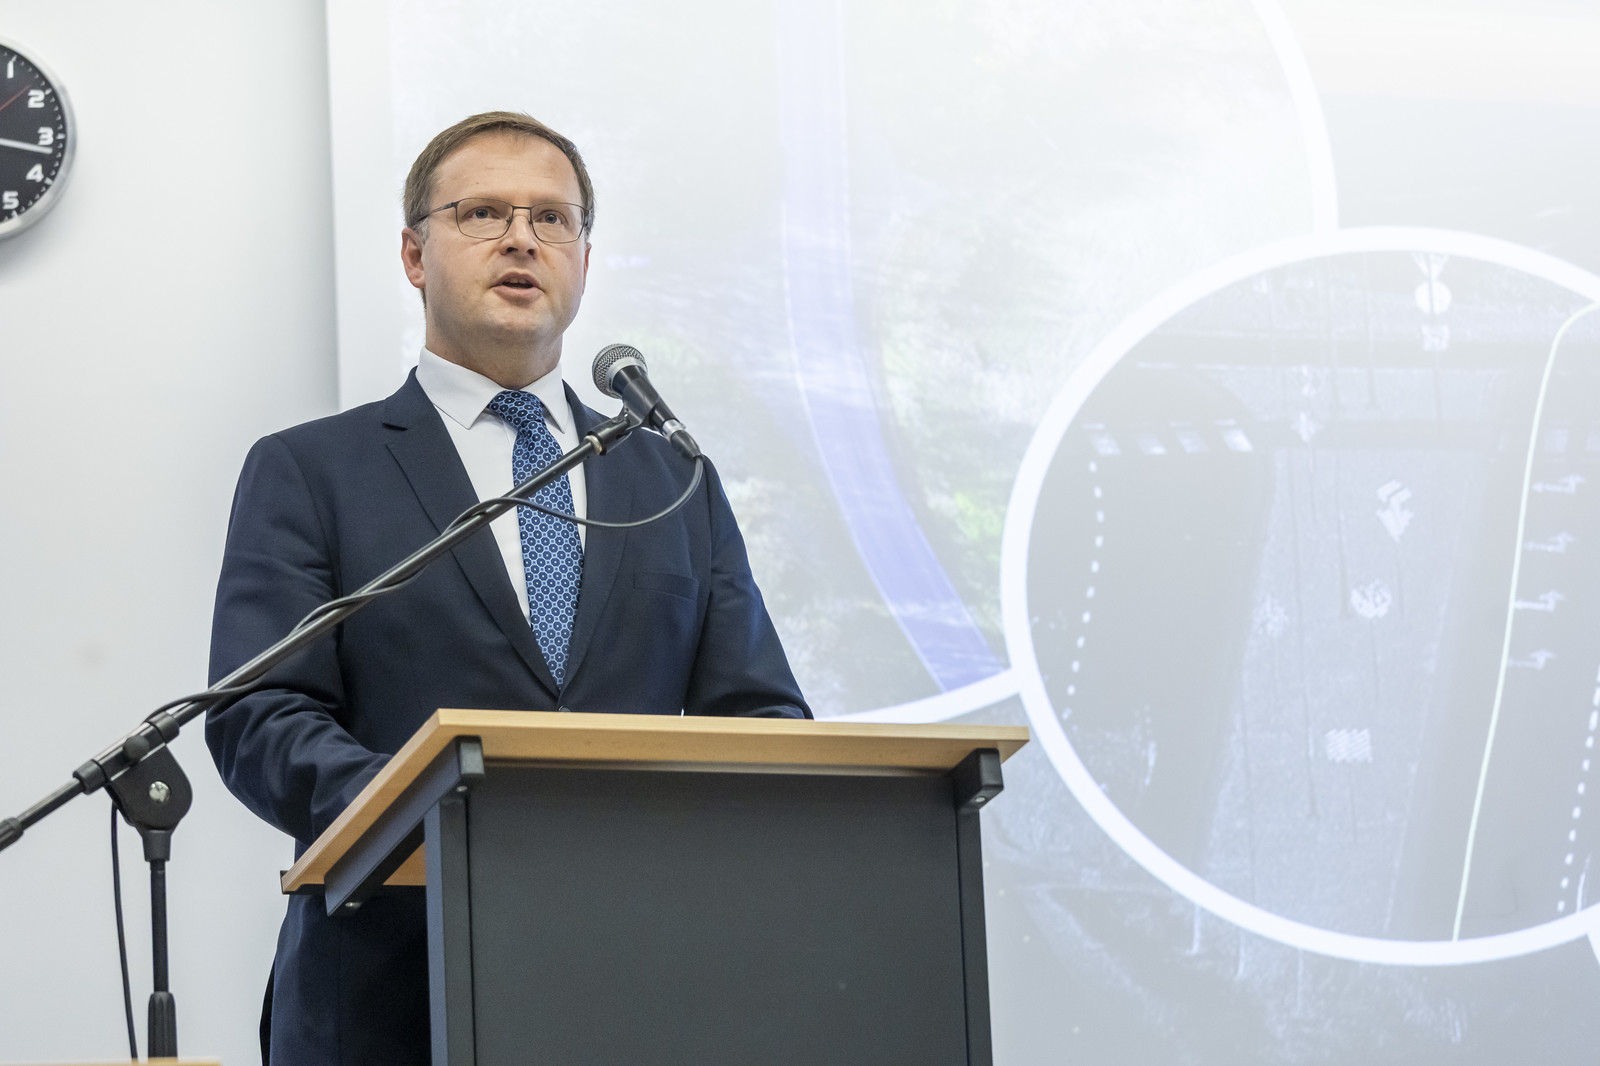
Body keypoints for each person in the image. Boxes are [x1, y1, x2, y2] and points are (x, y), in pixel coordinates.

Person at [205, 111, 810, 1066]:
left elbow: (760, 714)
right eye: (483, 213)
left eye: (551, 218)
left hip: (642, 990)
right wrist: (442, 814)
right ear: (415, 255)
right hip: (386, 995)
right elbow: (261, 715)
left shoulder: (672, 477)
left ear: (583, 261)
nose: (522, 239)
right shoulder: (311, 470)